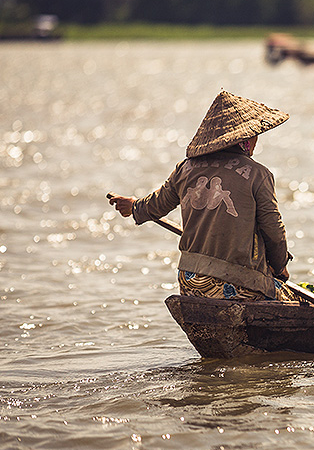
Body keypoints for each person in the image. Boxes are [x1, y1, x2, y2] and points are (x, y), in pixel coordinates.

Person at [109, 90, 294, 302]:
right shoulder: (258, 174)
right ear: (245, 139)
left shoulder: (185, 169)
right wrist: (280, 267)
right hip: (238, 283)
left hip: (189, 281)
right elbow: (274, 230)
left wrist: (133, 206)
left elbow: (156, 205)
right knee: (294, 302)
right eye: (255, 137)